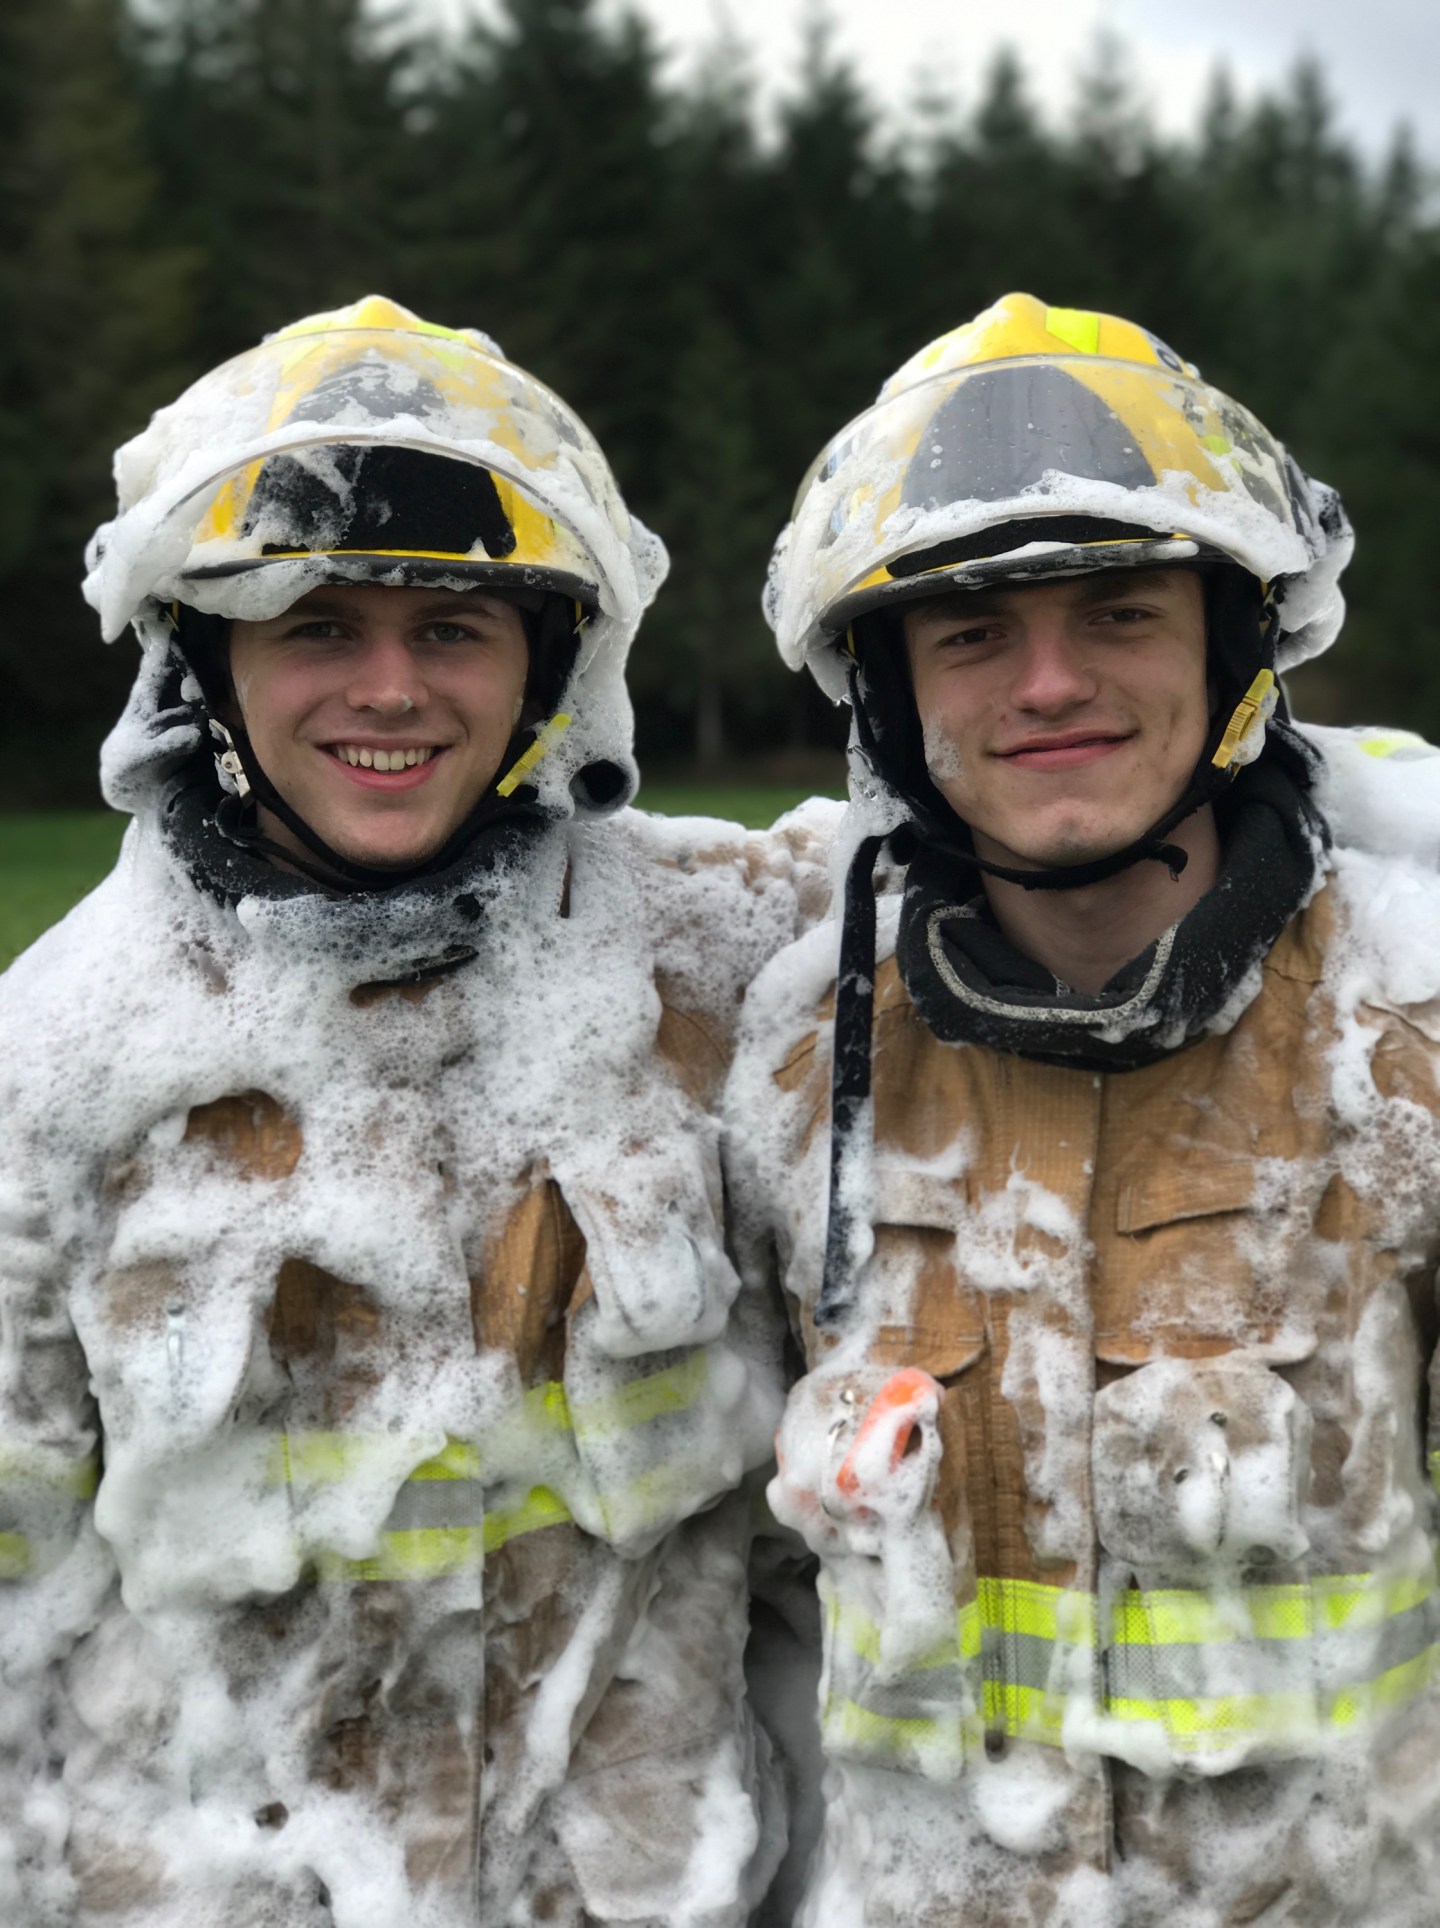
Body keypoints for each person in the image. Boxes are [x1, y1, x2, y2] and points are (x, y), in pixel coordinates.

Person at [0, 295, 828, 1926]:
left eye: (452, 630)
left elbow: (1040, 813)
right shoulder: (51, 1063)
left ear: (548, 670)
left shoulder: (724, 968)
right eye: (318, 626)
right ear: (208, 664)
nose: (390, 689)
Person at [727, 291, 1440, 1925]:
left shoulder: (1404, 1042)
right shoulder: (793, 1068)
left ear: (1233, 647)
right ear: (891, 692)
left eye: (1119, 613)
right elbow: (744, 1594)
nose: (1048, 683)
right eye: (972, 632)